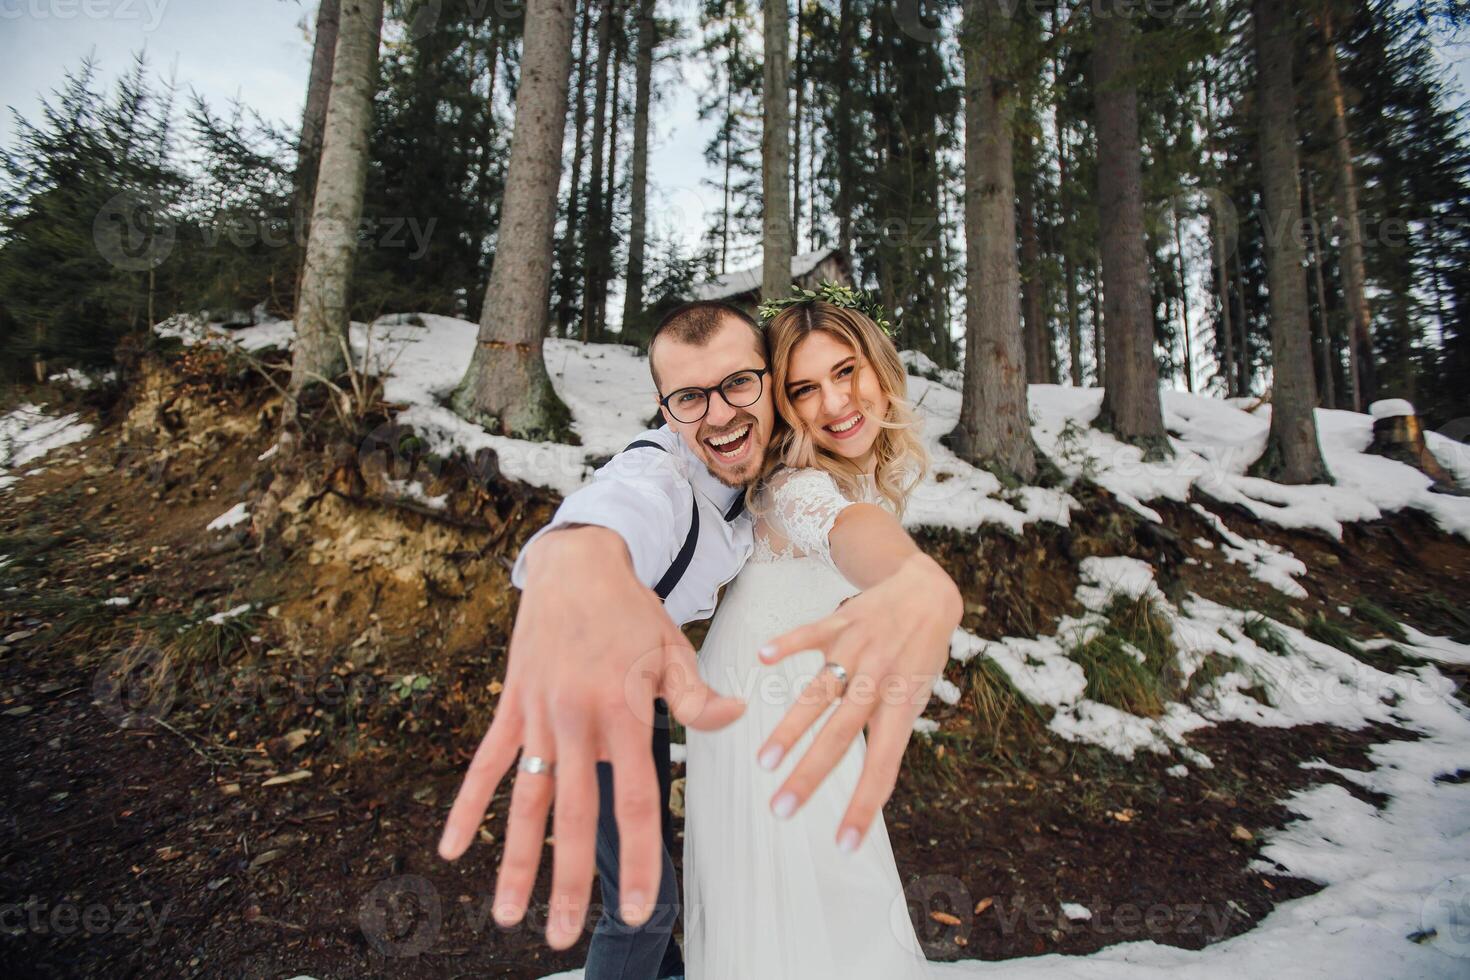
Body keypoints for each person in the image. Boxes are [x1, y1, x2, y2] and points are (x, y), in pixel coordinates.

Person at [436, 297, 960, 980]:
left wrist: (909, 582)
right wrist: (579, 550)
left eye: (739, 384)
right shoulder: (693, 472)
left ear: (765, 383)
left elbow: (847, 531)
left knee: (711, 901)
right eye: (689, 397)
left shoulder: (776, 465)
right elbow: (622, 507)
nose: (717, 413)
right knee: (647, 905)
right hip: (606, 680)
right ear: (663, 406)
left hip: (689, 681)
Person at [682, 298, 953, 977]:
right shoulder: (796, 484)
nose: (834, 403)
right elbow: (842, 529)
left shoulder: (843, 468)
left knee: (830, 903)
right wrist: (912, 577)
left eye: (845, 372)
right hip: (765, 710)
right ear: (783, 404)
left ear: (879, 367)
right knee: (827, 907)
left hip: (799, 697)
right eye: (804, 389)